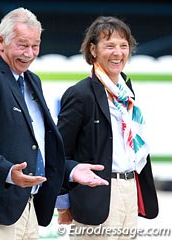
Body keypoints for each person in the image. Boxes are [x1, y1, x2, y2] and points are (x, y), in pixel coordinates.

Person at [0, 7, 108, 240]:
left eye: (35, 45)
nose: (29, 53)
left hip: (26, 204)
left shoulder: (31, 79)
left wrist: (71, 169)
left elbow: (39, 143)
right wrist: (8, 173)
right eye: (22, 45)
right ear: (0, 42)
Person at [55, 16, 159, 238]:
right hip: (97, 194)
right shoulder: (80, 94)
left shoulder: (126, 93)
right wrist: (63, 203)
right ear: (93, 50)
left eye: (123, 46)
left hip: (129, 189)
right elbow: (60, 152)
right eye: (109, 45)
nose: (118, 53)